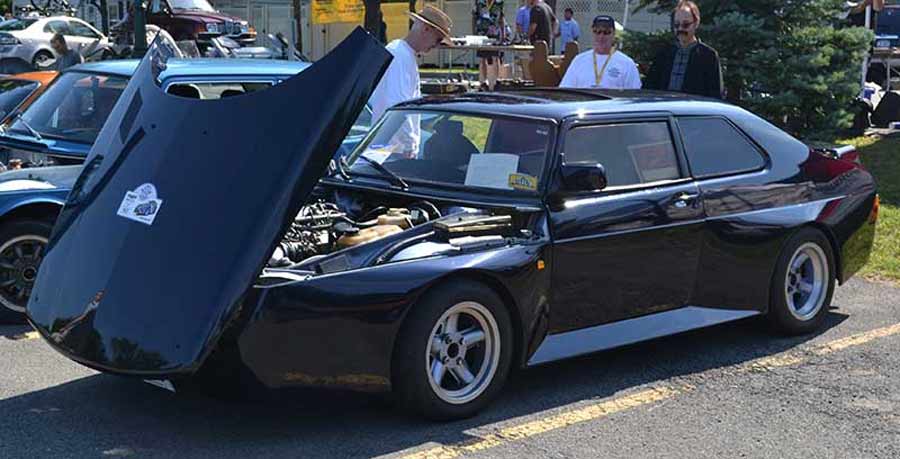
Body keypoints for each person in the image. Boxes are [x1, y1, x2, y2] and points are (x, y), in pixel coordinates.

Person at [369, 5, 452, 155]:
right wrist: (409, 146)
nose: (437, 45)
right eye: (438, 38)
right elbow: (398, 106)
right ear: (426, 29)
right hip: (390, 152)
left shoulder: (404, 54)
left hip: (392, 150)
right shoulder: (399, 54)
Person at [644, 1, 723, 98]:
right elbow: (649, 89)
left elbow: (715, 95)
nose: (680, 29)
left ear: (696, 23)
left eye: (685, 25)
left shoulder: (709, 56)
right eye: (676, 25)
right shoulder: (663, 54)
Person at [559, 15, 641, 89]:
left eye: (606, 32)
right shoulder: (579, 61)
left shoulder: (627, 64)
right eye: (597, 32)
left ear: (613, 34)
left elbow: (633, 96)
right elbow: (565, 91)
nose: (601, 36)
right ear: (592, 33)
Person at [474, 0, 506, 89]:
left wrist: (503, 35)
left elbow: (502, 18)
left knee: (495, 58)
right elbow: (474, 16)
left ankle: (495, 82)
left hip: (495, 34)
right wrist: (474, 34)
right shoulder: (479, 2)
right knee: (482, 58)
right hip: (482, 33)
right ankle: (483, 82)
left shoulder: (499, 2)